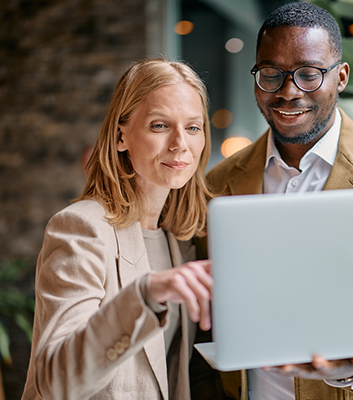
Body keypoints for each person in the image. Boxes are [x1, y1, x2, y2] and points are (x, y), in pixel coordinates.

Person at [203, 2, 353, 400]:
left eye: (309, 75)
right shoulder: (219, 184)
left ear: (342, 76)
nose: (288, 91)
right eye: (270, 74)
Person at [22, 59, 214, 400]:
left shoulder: (180, 239)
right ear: (121, 135)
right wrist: (144, 295)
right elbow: (55, 380)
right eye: (159, 126)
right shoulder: (81, 228)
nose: (180, 144)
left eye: (193, 127)